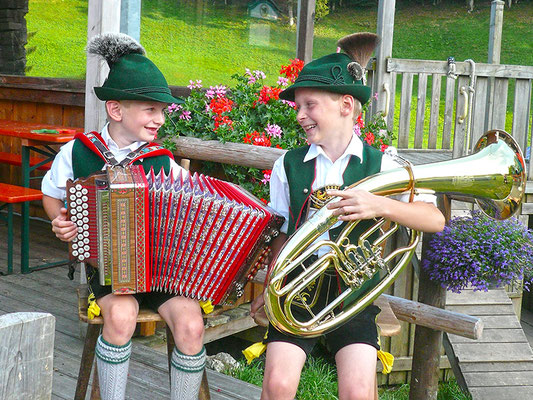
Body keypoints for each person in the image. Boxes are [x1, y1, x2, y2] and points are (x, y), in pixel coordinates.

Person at [250, 32, 445, 400]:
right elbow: (281, 234)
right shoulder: (287, 165)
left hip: (353, 294)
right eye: (298, 107)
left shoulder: (384, 165)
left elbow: (434, 219)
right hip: (296, 289)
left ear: (345, 105)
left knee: (357, 390)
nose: (300, 115)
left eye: (309, 105)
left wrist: (381, 205)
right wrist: (268, 287)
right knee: (277, 386)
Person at [41, 33, 205, 400]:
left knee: (192, 324)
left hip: (163, 274)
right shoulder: (78, 152)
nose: (160, 119)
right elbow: (51, 194)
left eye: (162, 111)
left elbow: (190, 209)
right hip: (109, 271)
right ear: (116, 110)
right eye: (150, 109)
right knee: (120, 317)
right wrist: (61, 221)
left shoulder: (163, 162)